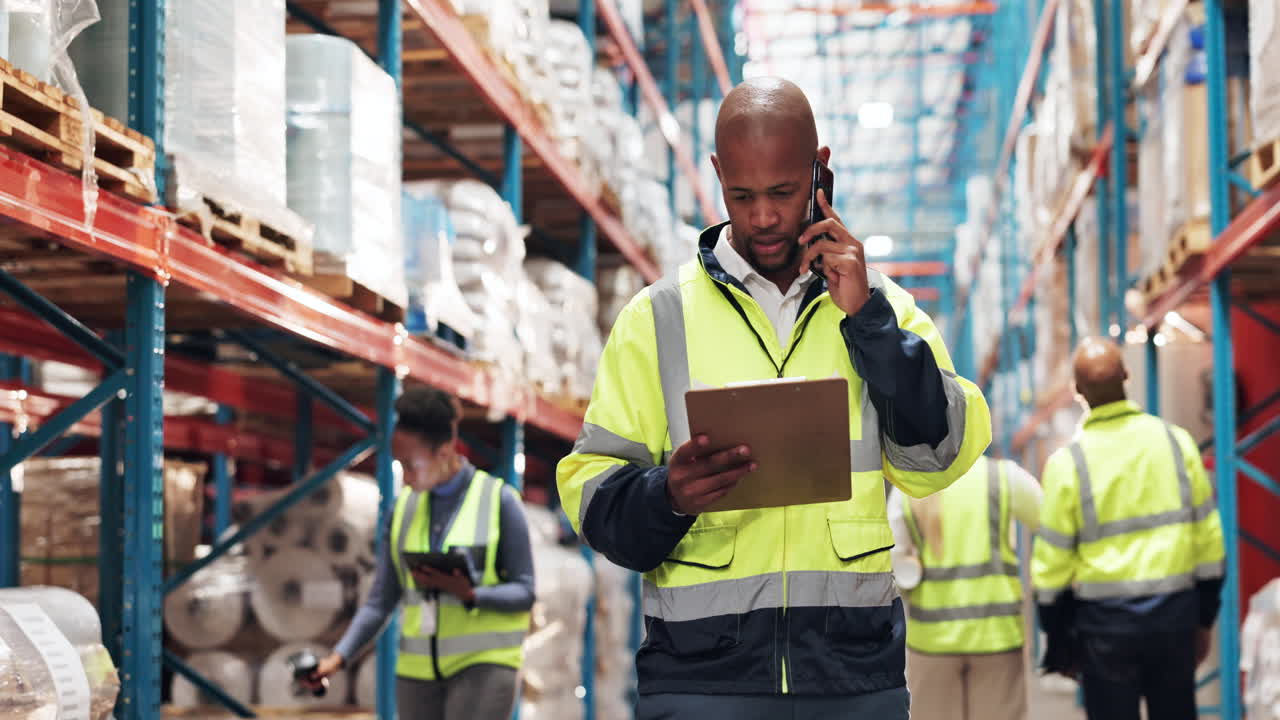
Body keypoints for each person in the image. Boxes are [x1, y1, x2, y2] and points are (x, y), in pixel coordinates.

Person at [556, 77, 992, 719]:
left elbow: (942, 455)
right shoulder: (658, 320)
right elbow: (592, 495)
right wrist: (666, 495)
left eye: (784, 194)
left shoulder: (883, 309)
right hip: (702, 682)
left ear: (820, 172)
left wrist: (867, 322)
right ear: (716, 173)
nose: (762, 217)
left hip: (850, 678)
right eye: (742, 195)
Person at [303, 386, 536, 719]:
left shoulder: (499, 501)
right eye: (400, 465)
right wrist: (337, 659)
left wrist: (471, 594)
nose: (406, 477)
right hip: (417, 673)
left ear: (444, 453)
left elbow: (525, 592)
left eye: (412, 466)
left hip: (484, 665)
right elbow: (380, 600)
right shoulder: (402, 511)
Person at [1032, 337, 1226, 720]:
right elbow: (1209, 540)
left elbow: (1051, 562)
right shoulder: (1176, 443)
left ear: (1077, 391)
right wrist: (1203, 618)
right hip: (1174, 619)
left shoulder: (1068, 464)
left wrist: (1055, 632)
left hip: (1104, 629)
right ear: (1127, 376)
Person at [887, 454, 1042, 720]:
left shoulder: (909, 487)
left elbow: (893, 563)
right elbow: (1052, 523)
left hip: (932, 643)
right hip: (997, 637)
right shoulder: (1004, 478)